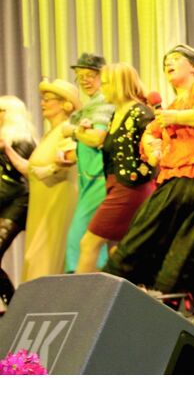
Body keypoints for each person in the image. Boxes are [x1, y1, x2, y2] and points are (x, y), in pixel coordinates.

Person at [103, 44, 194, 329]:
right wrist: (153, 147)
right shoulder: (171, 106)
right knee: (145, 238)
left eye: (176, 59)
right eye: (166, 61)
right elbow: (151, 134)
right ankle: (107, 305)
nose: (168, 64)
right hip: (175, 181)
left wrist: (176, 118)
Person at [75, 63, 156, 272]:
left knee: (89, 243)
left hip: (130, 187)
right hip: (117, 185)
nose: (102, 89)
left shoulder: (140, 113)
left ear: (119, 85)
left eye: (105, 84)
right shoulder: (117, 113)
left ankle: (83, 292)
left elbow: (154, 148)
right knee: (118, 250)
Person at [5, 80, 80, 280]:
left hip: (57, 203)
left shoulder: (67, 130)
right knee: (35, 257)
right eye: (42, 99)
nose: (42, 103)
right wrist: (7, 149)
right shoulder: (49, 134)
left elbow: (69, 159)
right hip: (42, 207)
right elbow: (30, 169)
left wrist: (49, 170)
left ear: (65, 104)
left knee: (44, 259)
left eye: (48, 99)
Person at [63, 53, 115, 272]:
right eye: (81, 76)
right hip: (89, 177)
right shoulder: (91, 106)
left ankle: (81, 282)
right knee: (91, 237)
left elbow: (97, 139)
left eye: (90, 75)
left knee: (80, 236)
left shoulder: (103, 104)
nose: (85, 80)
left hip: (98, 177)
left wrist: (73, 131)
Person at [0, 96, 37, 308]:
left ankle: (14, 305)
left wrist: (5, 150)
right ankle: (12, 304)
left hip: (17, 204)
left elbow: (18, 176)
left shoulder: (22, 141)